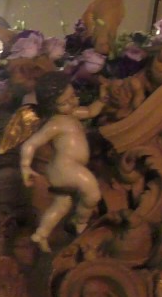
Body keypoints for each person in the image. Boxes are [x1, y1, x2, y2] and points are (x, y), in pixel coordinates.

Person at [19, 71, 104, 252]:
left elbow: (91, 111)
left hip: (67, 169)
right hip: (65, 167)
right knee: (93, 193)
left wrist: (103, 99)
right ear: (51, 106)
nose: (72, 102)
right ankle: (80, 222)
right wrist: (25, 166)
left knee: (62, 203)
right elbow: (30, 144)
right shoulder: (55, 124)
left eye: (73, 96)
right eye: (65, 102)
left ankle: (41, 234)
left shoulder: (72, 115)